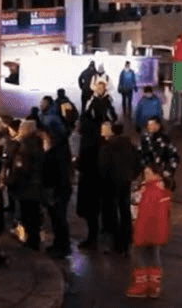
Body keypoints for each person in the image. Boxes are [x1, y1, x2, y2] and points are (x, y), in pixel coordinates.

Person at [76, 79, 116, 251]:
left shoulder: (91, 143)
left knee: (95, 209)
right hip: (100, 180)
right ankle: (106, 235)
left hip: (93, 181)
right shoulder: (105, 145)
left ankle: (96, 237)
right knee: (103, 207)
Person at [125, 163, 172, 299]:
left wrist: (137, 234)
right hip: (158, 232)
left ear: (156, 175)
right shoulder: (164, 190)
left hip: (145, 231)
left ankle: (141, 286)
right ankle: (153, 286)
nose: (145, 176)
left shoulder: (150, 191)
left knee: (137, 255)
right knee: (154, 256)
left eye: (148, 173)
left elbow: (145, 215)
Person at [98, 121, 138, 255]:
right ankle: (126, 244)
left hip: (111, 184)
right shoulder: (130, 146)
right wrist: (132, 176)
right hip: (125, 182)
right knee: (125, 212)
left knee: (112, 213)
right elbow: (138, 162)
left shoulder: (108, 147)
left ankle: (115, 244)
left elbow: (103, 167)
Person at [8, 119, 44, 251]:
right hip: (35, 186)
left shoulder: (25, 146)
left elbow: (21, 167)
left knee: (28, 215)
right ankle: (34, 240)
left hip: (26, 187)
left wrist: (11, 180)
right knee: (33, 214)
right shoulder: (38, 144)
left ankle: (32, 241)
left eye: (23, 128)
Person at [39, 119, 73, 258]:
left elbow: (54, 173)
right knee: (58, 220)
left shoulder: (55, 152)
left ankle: (62, 246)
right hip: (60, 189)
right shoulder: (62, 149)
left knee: (59, 220)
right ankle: (60, 244)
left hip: (56, 190)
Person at [138, 116, 180, 186]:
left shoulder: (164, 139)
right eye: (149, 125)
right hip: (148, 174)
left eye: (153, 124)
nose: (151, 127)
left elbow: (173, 156)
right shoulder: (144, 139)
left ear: (158, 126)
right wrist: (144, 167)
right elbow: (140, 153)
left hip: (161, 174)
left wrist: (168, 171)